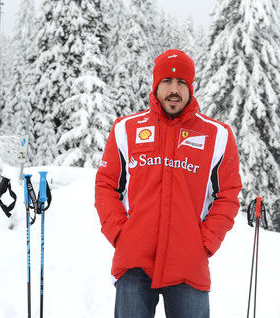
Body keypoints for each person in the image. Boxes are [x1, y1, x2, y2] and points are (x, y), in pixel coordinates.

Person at [95, 49, 242, 318]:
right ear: (156, 84)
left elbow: (229, 195)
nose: (174, 90)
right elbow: (106, 185)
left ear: (191, 86)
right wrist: (119, 233)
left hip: (188, 262)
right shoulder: (126, 129)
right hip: (134, 260)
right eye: (167, 81)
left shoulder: (216, 135)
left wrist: (206, 242)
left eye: (182, 83)